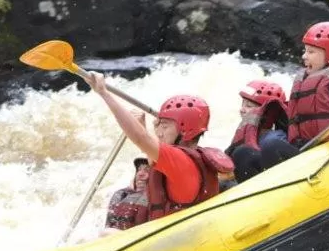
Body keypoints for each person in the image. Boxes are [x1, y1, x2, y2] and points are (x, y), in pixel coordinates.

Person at [234, 21, 329, 182]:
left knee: (273, 147)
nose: (304, 56)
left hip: (328, 157)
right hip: (305, 151)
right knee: (243, 154)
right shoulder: (305, 80)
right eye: (305, 51)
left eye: (311, 52)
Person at [85, 72, 233, 231]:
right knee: (124, 196)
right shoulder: (188, 156)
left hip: (176, 243)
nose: (159, 132)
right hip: (182, 233)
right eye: (158, 125)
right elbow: (150, 152)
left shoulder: (181, 161)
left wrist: (104, 93)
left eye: (165, 126)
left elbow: (141, 139)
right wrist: (143, 127)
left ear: (185, 129)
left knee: (107, 233)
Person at [226, 79, 289, 186]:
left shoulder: (275, 140)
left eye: (249, 106)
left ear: (266, 112)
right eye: (243, 104)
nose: (242, 109)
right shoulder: (246, 134)